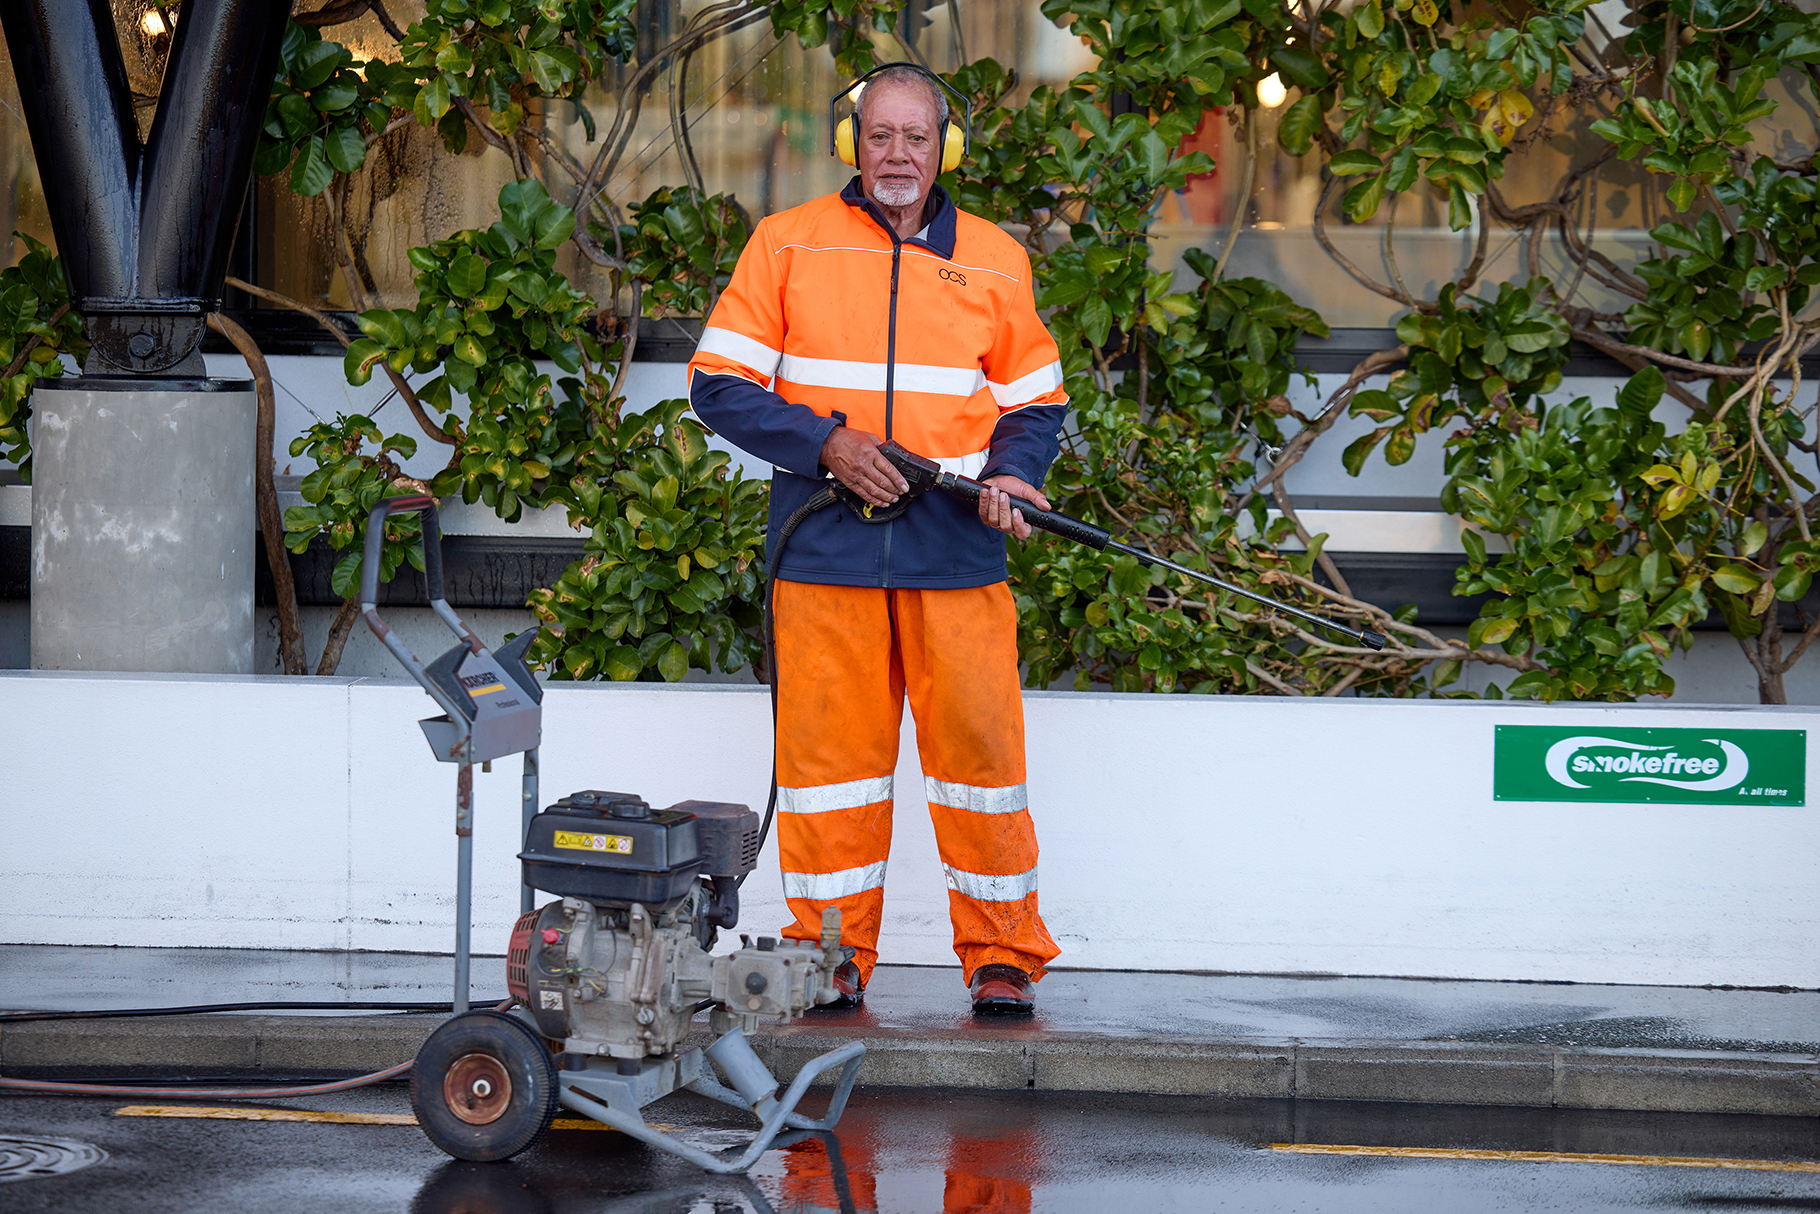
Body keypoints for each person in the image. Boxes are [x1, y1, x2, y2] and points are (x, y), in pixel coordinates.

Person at [686, 62, 1066, 1016]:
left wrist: (1017, 475)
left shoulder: (994, 257)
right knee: (827, 774)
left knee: (982, 763)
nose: (899, 154)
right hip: (825, 555)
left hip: (957, 554)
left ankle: (1002, 956)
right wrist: (826, 444)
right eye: (882, 135)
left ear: (948, 147)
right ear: (853, 142)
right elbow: (717, 384)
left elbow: (1034, 399)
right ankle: (828, 956)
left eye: (919, 137)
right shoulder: (785, 245)